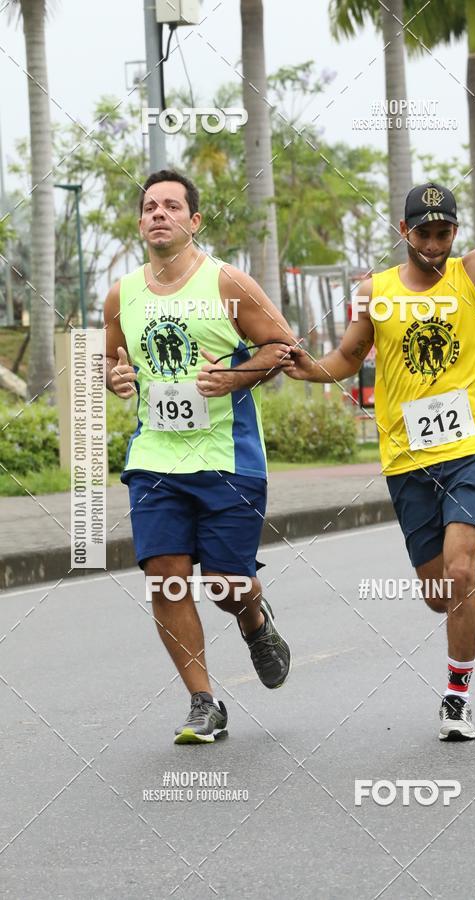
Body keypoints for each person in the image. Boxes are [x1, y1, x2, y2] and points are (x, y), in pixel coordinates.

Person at [288, 116, 475, 740]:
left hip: (472, 448)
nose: (433, 243)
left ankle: (457, 695)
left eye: (443, 232)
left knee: (462, 572)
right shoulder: (374, 292)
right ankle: (465, 624)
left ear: (454, 232)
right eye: (423, 232)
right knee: (440, 593)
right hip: (408, 460)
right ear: (404, 231)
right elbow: (348, 357)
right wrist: (308, 369)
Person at [104, 169, 297, 744]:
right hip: (156, 458)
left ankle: (255, 618)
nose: (158, 214)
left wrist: (235, 378)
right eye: (149, 207)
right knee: (166, 579)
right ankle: (203, 701)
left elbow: (283, 346)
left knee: (225, 584)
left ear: (194, 220)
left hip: (227, 458)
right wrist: (115, 377)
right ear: (140, 222)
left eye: (170, 206)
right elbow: (112, 360)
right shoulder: (122, 293)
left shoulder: (227, 282)